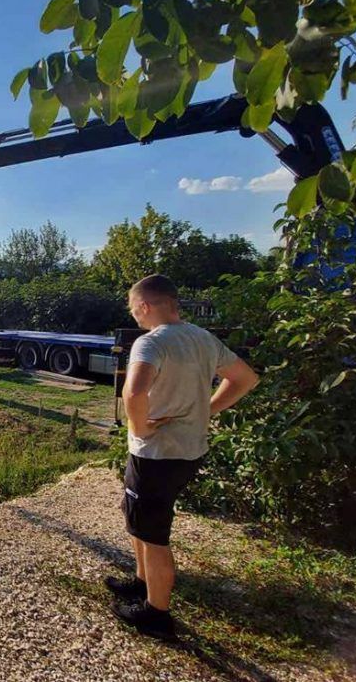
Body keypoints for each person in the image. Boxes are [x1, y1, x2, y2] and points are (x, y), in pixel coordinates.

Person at [106, 274, 258, 641]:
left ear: (145, 306)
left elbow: (133, 393)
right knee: (139, 518)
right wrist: (207, 409)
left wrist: (140, 428)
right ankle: (141, 582)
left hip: (157, 454)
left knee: (154, 534)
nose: (134, 316)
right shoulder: (203, 338)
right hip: (189, 452)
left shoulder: (150, 342)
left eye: (133, 309)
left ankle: (156, 614)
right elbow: (246, 379)